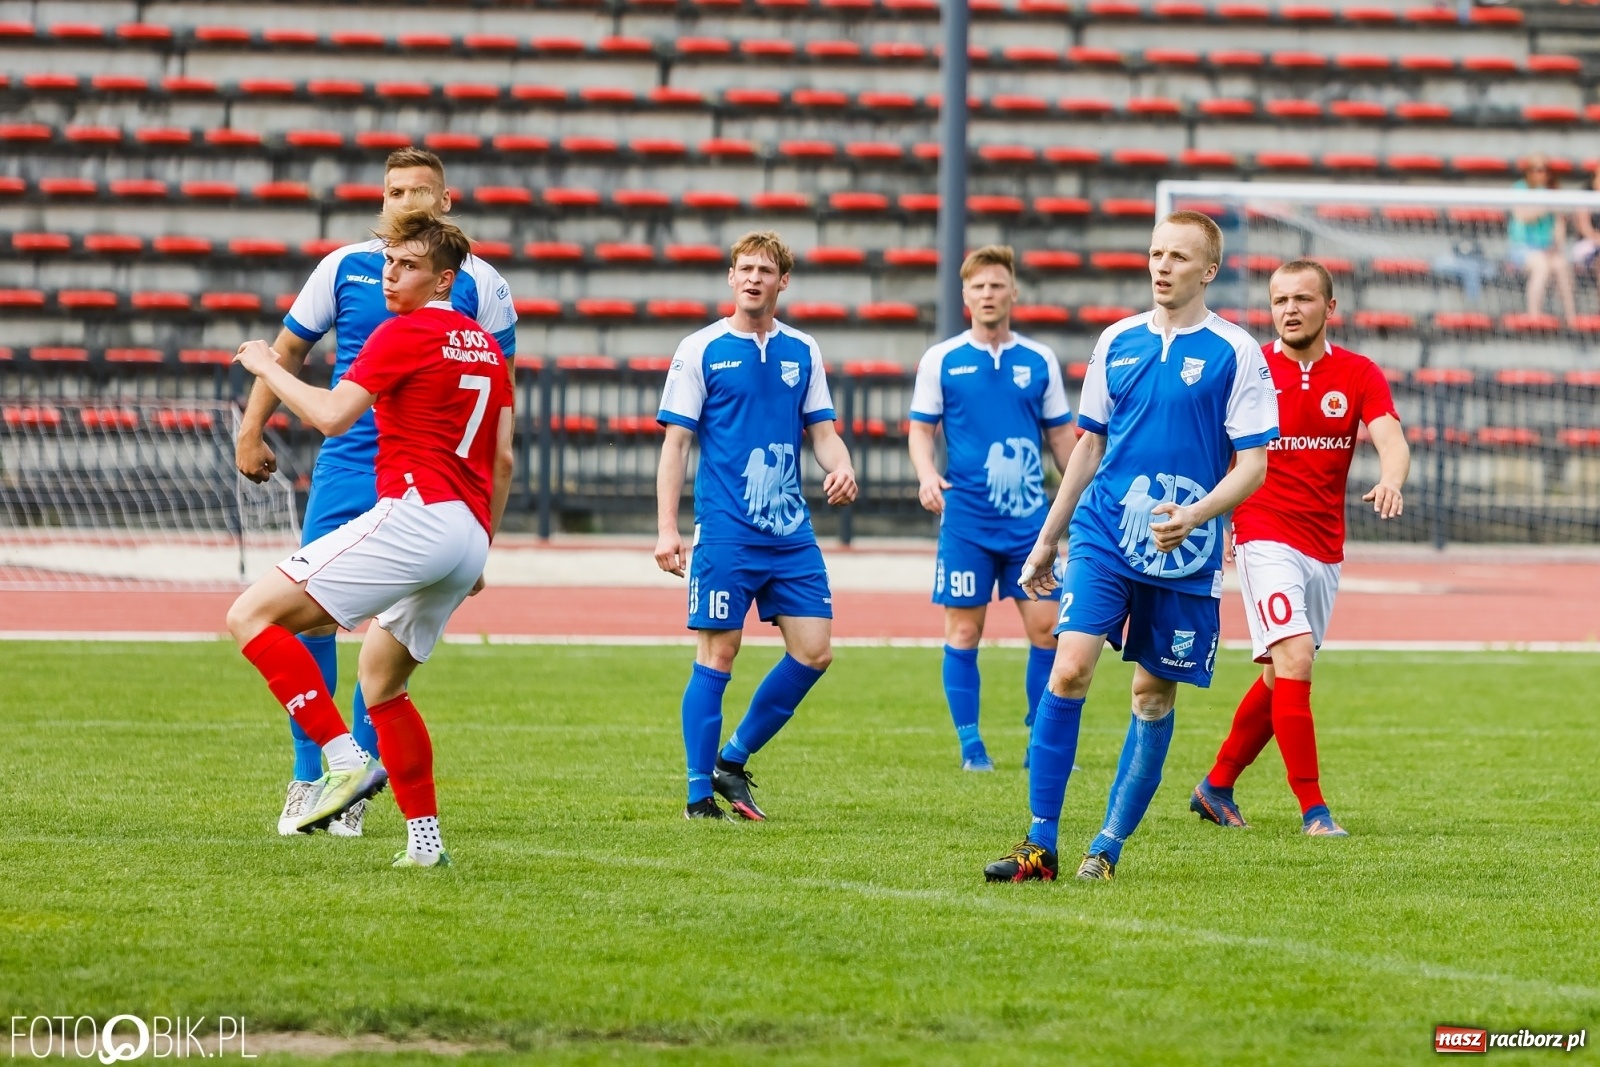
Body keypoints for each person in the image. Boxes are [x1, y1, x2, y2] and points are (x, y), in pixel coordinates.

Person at [983, 210, 1279, 883]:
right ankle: (1039, 843)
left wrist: (1196, 515)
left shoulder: (1236, 352)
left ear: (1209, 270)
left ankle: (1107, 847)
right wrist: (1048, 537)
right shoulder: (1116, 340)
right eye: (1155, 253)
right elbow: (1089, 446)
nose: (1161, 266)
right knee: (1069, 669)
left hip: (1184, 550)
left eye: (1178, 256)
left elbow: (1254, 466)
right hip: (1106, 532)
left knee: (1151, 696)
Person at [234, 148, 518, 838]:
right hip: (384, 480)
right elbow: (502, 442)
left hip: (415, 483)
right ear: (381, 200)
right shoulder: (344, 267)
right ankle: (342, 792)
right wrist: (251, 428)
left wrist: (263, 368)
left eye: (419, 192)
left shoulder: (471, 289)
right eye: (395, 191)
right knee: (350, 646)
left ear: (443, 203)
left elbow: (316, 391)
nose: (406, 202)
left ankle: (347, 772)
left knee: (265, 614)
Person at [1192, 260, 1409, 837]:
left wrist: (1392, 478)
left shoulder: (1358, 372)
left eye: (1303, 299)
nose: (1290, 309)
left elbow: (1390, 436)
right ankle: (1314, 811)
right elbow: (1212, 443)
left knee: (1279, 677)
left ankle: (1216, 785)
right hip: (1263, 531)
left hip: (1325, 545)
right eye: (1280, 299)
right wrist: (1210, 516)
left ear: (1329, 308)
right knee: (1295, 659)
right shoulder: (1250, 368)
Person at [654, 231, 858, 820]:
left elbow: (823, 433)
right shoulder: (700, 349)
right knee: (719, 653)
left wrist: (842, 466)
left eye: (765, 271)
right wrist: (667, 528)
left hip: (790, 532)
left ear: (782, 281)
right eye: (744, 269)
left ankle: (732, 759)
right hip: (725, 531)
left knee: (815, 651)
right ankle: (698, 795)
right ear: (730, 277)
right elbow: (676, 445)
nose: (753, 278)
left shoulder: (803, 350)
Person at [907, 245, 1076, 771]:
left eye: (997, 285)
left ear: (1013, 292)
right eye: (978, 286)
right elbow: (921, 430)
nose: (988, 294)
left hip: (1030, 525)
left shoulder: (1039, 359)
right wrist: (927, 474)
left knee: (1048, 630)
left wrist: (1081, 497)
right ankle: (971, 747)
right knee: (963, 632)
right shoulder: (942, 359)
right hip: (967, 522)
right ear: (965, 295)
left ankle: (1038, 741)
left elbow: (1062, 439)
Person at [1508, 153, 1578, 325]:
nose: (1541, 173)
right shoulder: (1520, 189)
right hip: (1522, 248)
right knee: (1542, 265)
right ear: (1528, 171)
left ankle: (1571, 317)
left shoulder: (1552, 191)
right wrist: (1545, 206)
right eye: (1536, 169)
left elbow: (1559, 224)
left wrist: (1556, 246)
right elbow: (1521, 216)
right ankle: (1534, 315)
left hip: (1546, 248)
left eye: (1544, 170)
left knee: (1561, 265)